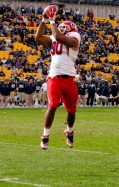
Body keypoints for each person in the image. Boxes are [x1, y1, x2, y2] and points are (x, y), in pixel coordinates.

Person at [36, 5, 81, 150]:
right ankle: (45, 135)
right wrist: (44, 20)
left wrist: (52, 20)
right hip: (54, 77)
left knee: (72, 111)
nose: (61, 28)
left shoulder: (74, 38)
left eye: (63, 27)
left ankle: (69, 130)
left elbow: (59, 36)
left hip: (70, 78)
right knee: (53, 104)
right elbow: (38, 37)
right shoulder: (54, 37)